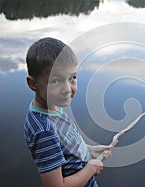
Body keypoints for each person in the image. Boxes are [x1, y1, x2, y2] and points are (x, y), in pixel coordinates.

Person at [24, 37, 112, 187]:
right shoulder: (44, 131)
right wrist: (91, 168)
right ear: (33, 84)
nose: (67, 89)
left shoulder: (52, 106)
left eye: (72, 78)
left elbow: (66, 145)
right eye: (56, 80)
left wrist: (89, 150)